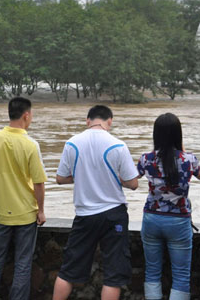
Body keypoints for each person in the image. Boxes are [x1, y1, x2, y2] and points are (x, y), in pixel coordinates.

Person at [53, 105, 139, 300]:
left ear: (87, 120)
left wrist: (82, 176)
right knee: (113, 276)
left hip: (84, 215)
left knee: (68, 270)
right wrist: (115, 178)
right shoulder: (118, 145)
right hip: (113, 215)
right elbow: (133, 183)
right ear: (110, 121)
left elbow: (60, 178)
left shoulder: (72, 144)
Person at [0, 97, 47, 300]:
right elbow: (39, 183)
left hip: (1, 213)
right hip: (26, 214)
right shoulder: (30, 144)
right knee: (22, 264)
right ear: (26, 115)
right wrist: (41, 210)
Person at [136, 113, 200, 300]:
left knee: (152, 272)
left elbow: (131, 178)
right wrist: (181, 150)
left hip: (151, 218)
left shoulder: (146, 159)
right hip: (179, 221)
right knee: (181, 276)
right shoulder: (189, 160)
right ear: (178, 135)